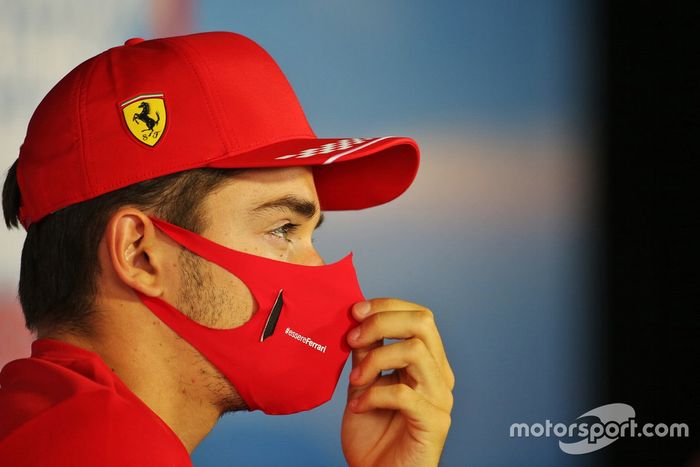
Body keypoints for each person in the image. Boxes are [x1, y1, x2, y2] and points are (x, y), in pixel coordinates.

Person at [0, 31, 454, 466]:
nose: (316, 268)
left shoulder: (41, 423)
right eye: (282, 229)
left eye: (313, 234)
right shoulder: (108, 450)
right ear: (140, 253)